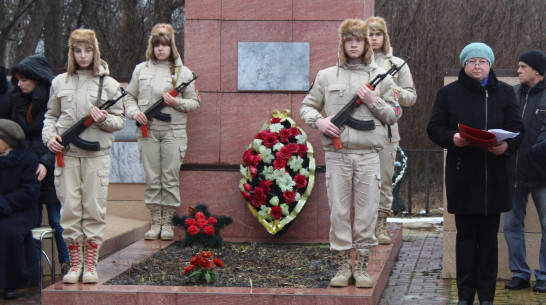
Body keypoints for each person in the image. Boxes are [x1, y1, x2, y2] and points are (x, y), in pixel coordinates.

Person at [299, 18, 399, 288]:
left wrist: (372, 100)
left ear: (367, 43)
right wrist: (319, 122)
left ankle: (363, 265)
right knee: (339, 212)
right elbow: (307, 107)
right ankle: (343, 265)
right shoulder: (326, 75)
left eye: (359, 40)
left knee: (366, 212)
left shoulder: (383, 76)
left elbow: (392, 114)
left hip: (369, 155)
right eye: (349, 40)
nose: (354, 45)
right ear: (342, 44)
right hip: (338, 156)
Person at [427, 42, 524, 305]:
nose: (477, 66)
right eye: (472, 61)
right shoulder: (448, 93)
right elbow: (434, 128)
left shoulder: (505, 92)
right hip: (463, 177)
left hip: (495, 177)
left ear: (490, 65)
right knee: (466, 239)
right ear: (464, 64)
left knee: (489, 241)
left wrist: (506, 146)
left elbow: (518, 128)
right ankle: (465, 296)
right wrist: (453, 138)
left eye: (482, 61)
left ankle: (487, 298)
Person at [42, 29, 126, 284]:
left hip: (95, 156)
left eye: (87, 50)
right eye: (77, 50)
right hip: (66, 156)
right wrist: (50, 138)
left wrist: (103, 120)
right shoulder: (59, 82)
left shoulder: (109, 84)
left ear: (95, 51)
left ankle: (91, 264)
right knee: (69, 210)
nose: (82, 55)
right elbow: (50, 117)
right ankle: (74, 263)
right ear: (71, 52)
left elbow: (121, 121)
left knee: (94, 208)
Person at [123, 24, 200, 241]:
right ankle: (154, 220)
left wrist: (177, 102)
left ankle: (167, 222)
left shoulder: (182, 72)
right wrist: (135, 112)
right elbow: (129, 97)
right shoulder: (141, 69)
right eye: (156, 44)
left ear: (171, 47)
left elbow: (195, 102)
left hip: (173, 132)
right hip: (148, 132)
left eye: (164, 44)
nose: (160, 49)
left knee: (169, 177)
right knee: (152, 177)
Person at [9, 55, 70, 276]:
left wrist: (45, 162)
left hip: (52, 165)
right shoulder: (17, 101)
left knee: (57, 218)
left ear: (36, 79)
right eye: (18, 80)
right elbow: (16, 137)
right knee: (32, 221)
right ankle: (33, 268)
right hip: (27, 169)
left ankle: (67, 263)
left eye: (24, 79)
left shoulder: (51, 102)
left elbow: (56, 136)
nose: (19, 84)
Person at [364, 16, 417, 244]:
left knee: (384, 180)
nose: (373, 38)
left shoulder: (396, 64)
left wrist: (392, 88)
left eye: (378, 34)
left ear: (384, 37)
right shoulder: (356, 61)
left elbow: (410, 97)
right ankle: (362, 226)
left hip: (386, 130)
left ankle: (381, 225)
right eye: (370, 34)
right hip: (360, 131)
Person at [504, 49, 546, 292]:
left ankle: (543, 276)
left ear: (537, 71)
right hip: (512, 172)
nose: (518, 71)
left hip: (541, 174)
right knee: (511, 225)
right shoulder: (512, 93)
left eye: (522, 67)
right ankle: (520, 273)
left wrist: (533, 152)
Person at [0, 119, 40, 300]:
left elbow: (29, 192)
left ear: (6, 141)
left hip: (21, 211)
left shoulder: (27, 159)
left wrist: (3, 203)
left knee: (8, 231)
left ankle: (12, 283)